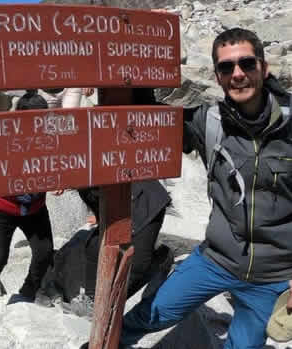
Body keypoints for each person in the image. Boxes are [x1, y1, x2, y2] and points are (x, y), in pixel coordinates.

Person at [120, 28, 292, 349]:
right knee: (148, 316)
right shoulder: (208, 121)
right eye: (227, 68)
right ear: (217, 75)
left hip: (274, 278)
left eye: (246, 63)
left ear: (264, 68)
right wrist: (138, 49)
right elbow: (146, 120)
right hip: (214, 261)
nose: (237, 74)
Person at [0, 90, 55, 324]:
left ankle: (29, 291)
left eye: (43, 120)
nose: (40, 125)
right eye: (35, 121)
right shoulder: (0, 141)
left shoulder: (50, 138)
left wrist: (60, 180)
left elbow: (59, 164)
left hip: (35, 207)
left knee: (45, 251)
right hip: (0, 208)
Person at [62, 181, 172, 318]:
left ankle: (110, 304)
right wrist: (99, 216)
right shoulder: (84, 185)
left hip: (147, 204)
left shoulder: (96, 170)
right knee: (94, 246)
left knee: (139, 263)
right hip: (121, 207)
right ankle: (92, 300)